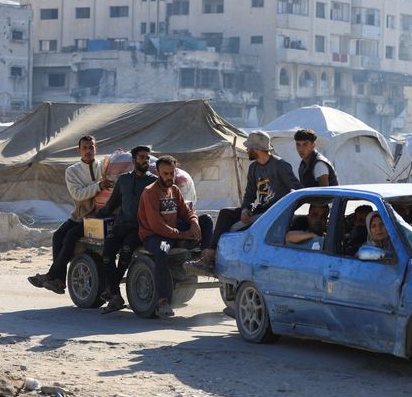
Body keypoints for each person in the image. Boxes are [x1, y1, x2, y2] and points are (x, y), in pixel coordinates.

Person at [28, 135, 113, 294]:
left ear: (96, 149)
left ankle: (53, 277)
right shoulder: (72, 171)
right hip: (80, 216)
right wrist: (99, 185)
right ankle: (58, 279)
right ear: (79, 150)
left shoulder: (104, 167)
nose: (88, 151)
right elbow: (79, 194)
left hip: (97, 217)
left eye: (91, 147)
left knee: (70, 237)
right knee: (58, 236)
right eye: (85, 148)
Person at [208, 130, 302, 266]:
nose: (246, 150)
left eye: (249, 147)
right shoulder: (253, 168)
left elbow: (298, 190)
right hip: (260, 210)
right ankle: (211, 254)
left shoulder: (280, 165)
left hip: (274, 214)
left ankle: (220, 260)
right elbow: (250, 194)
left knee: (239, 232)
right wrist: (245, 209)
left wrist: (285, 213)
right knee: (225, 214)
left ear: (257, 149)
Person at [138, 156, 214, 318]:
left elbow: (186, 213)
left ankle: (205, 258)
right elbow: (157, 226)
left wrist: (194, 222)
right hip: (157, 237)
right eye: (165, 174)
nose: (169, 177)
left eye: (171, 173)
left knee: (206, 220)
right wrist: (183, 234)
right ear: (158, 172)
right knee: (162, 252)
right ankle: (162, 301)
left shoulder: (174, 190)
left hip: (173, 232)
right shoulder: (150, 192)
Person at [96, 145, 157, 314]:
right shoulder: (123, 180)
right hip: (120, 225)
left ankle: (112, 292)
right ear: (134, 160)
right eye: (142, 157)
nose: (146, 160)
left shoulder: (153, 182)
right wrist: (98, 214)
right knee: (107, 256)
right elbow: (112, 203)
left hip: (139, 228)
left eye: (147, 158)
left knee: (125, 254)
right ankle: (115, 295)